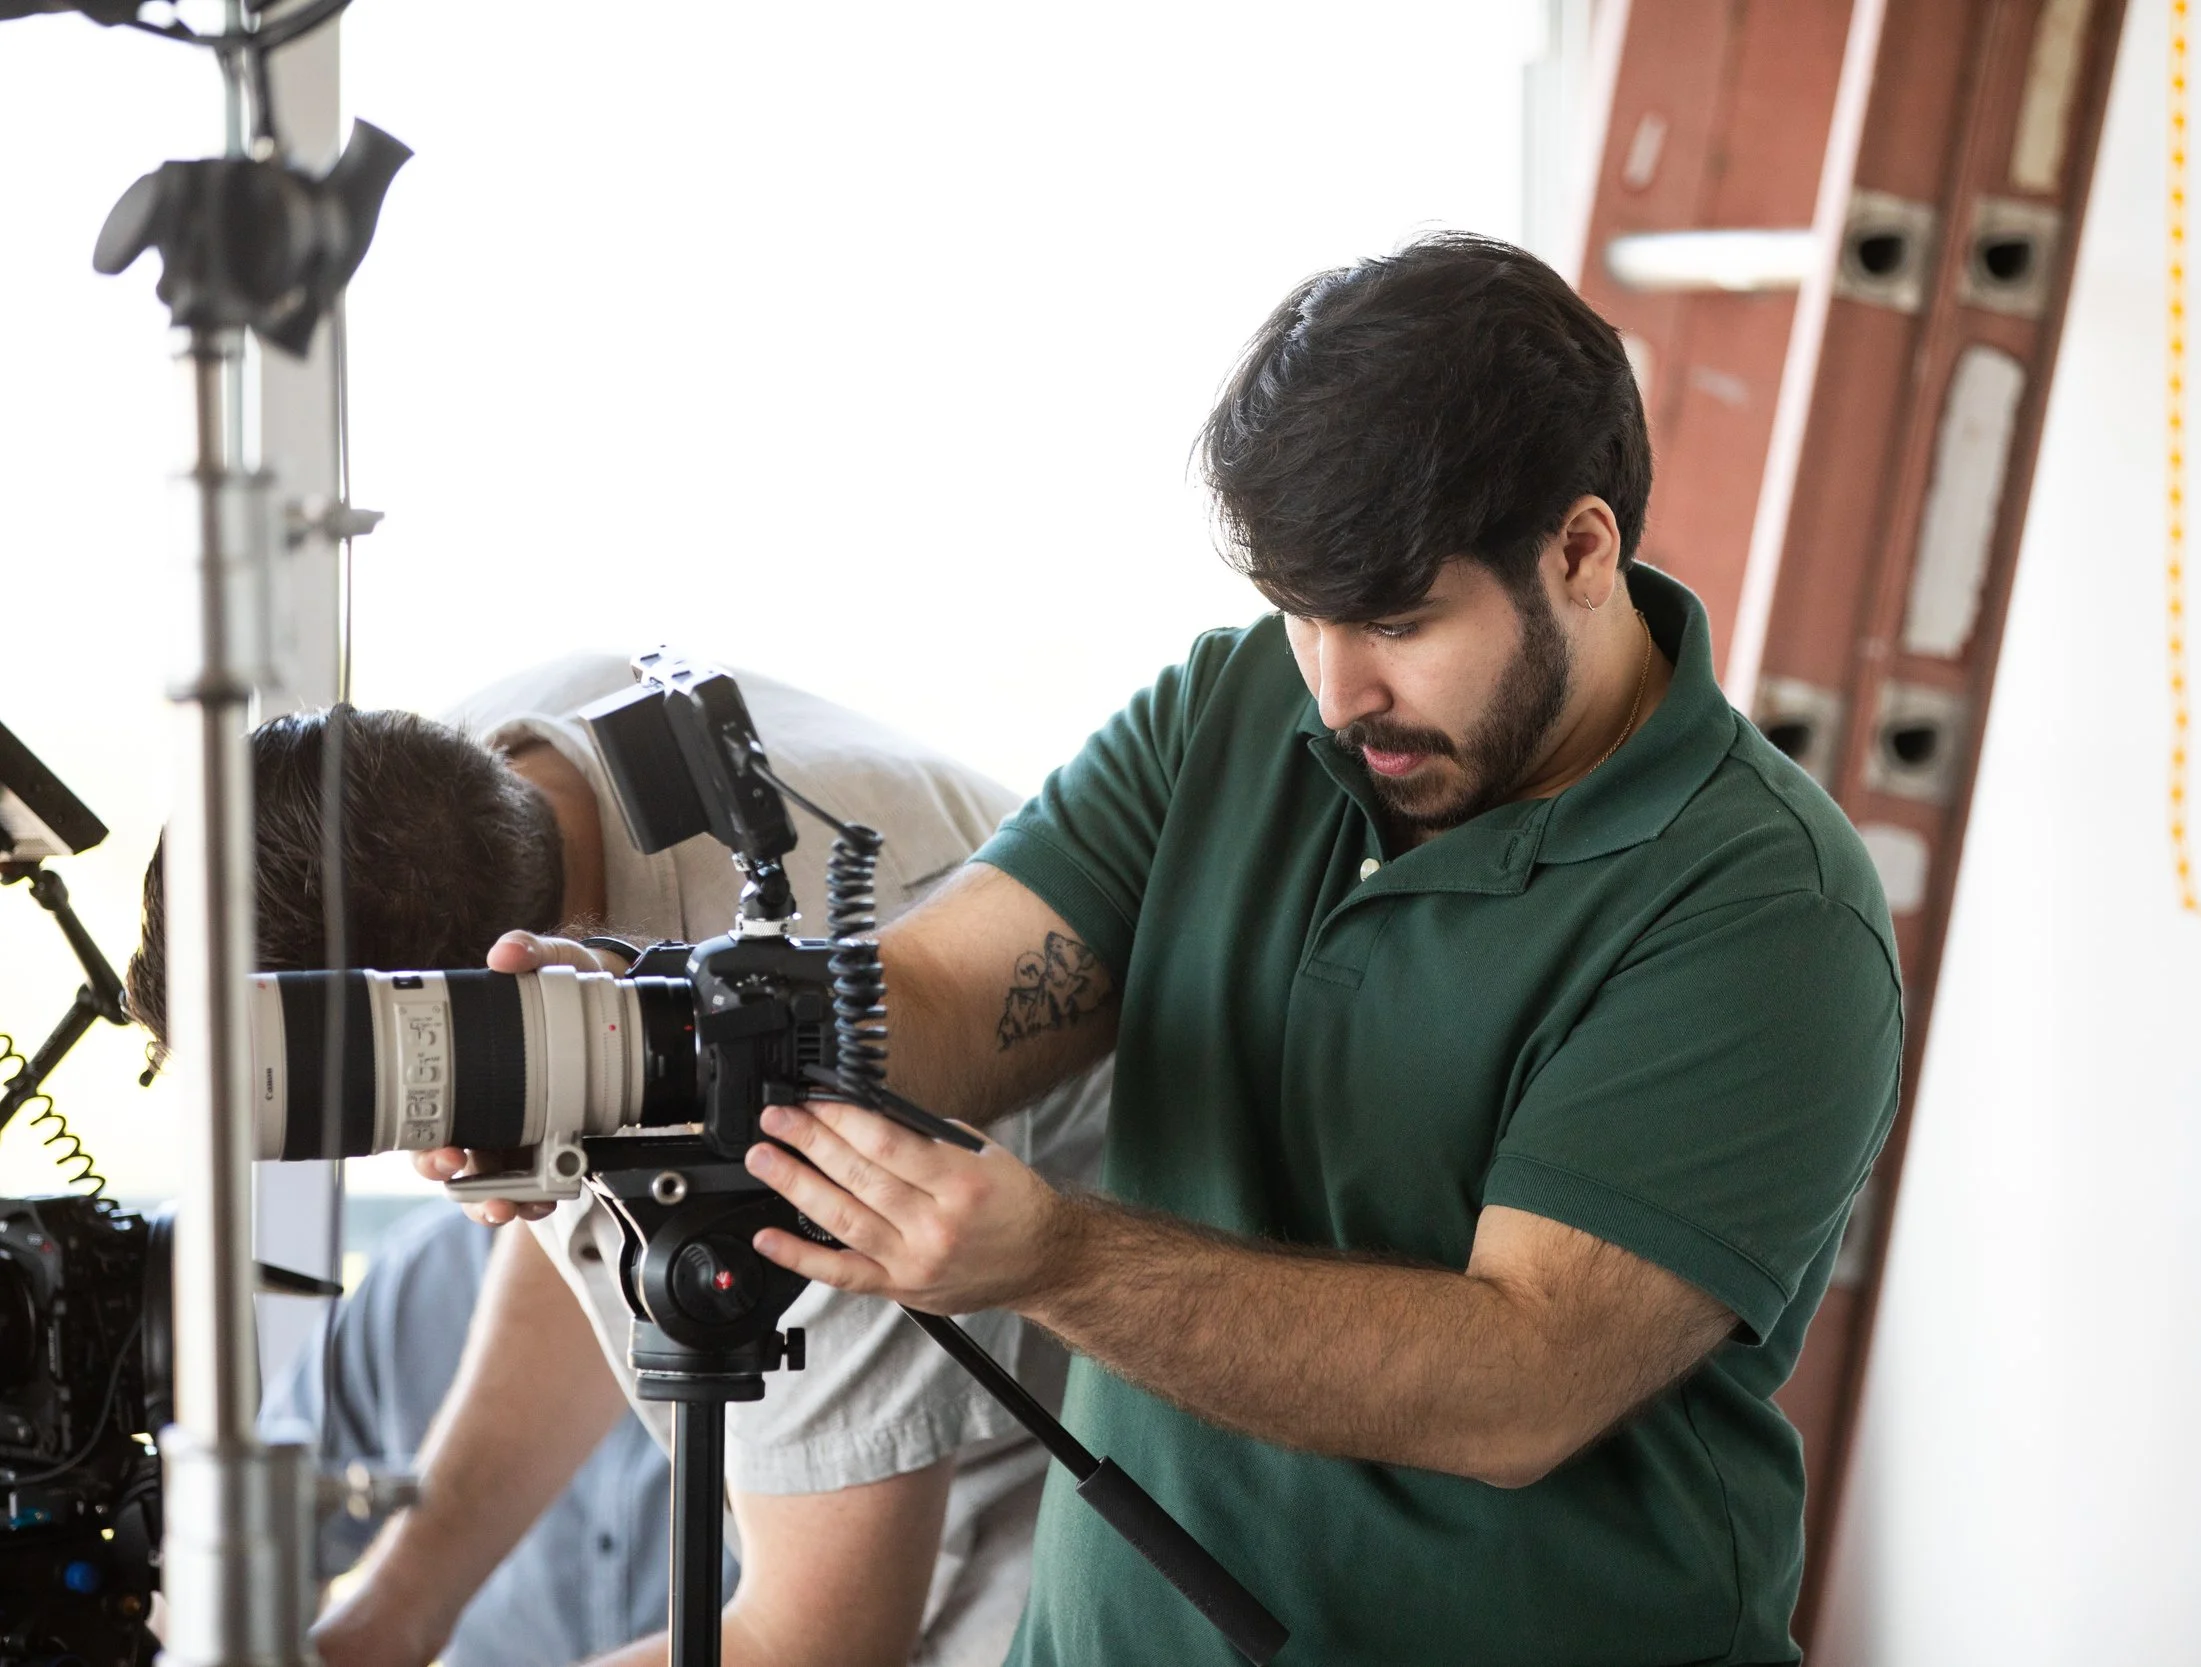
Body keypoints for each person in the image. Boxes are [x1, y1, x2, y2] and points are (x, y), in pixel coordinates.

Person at [473, 233, 1905, 1665]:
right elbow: (942, 997)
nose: (1340, 692)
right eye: (1301, 614)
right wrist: (616, 1041)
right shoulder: (1229, 710)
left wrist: (1056, 1258)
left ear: (1582, 550)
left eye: (1400, 621)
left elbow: (1518, 1383)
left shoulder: (1764, 908)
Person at [128, 659, 1105, 1667]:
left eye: (404, 1104)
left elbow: (817, 1636)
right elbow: (610, 1243)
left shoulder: (811, 1029)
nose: (426, 1155)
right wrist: (383, 1624)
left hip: (1055, 1463)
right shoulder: (458, 802)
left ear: (504, 992)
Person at [260, 1201, 706, 1667]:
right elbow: (263, 1545)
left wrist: (381, 1628)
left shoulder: (763, 1273)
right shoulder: (416, 1276)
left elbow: (780, 1629)